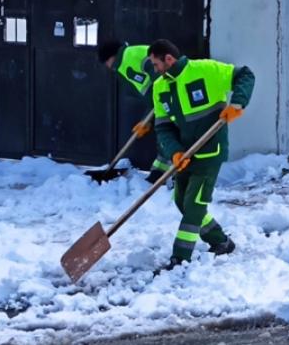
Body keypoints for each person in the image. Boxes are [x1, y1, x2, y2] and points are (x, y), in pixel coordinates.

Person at [146, 39, 255, 270]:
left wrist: (238, 103)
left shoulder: (205, 70)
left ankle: (179, 258)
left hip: (210, 151)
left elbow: (245, 75)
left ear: (169, 59)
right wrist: (174, 151)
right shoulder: (160, 87)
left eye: (157, 65)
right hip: (185, 156)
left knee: (194, 204)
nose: (155, 70)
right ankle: (220, 241)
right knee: (181, 201)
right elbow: (163, 127)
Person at [98, 41, 172, 182]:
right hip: (161, 102)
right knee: (164, 133)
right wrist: (146, 120)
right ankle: (159, 173)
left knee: (169, 135)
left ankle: (175, 176)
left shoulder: (131, 55)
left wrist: (162, 94)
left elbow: (158, 71)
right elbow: (149, 92)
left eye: (106, 63)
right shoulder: (123, 65)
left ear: (110, 58)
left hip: (169, 97)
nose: (108, 68)